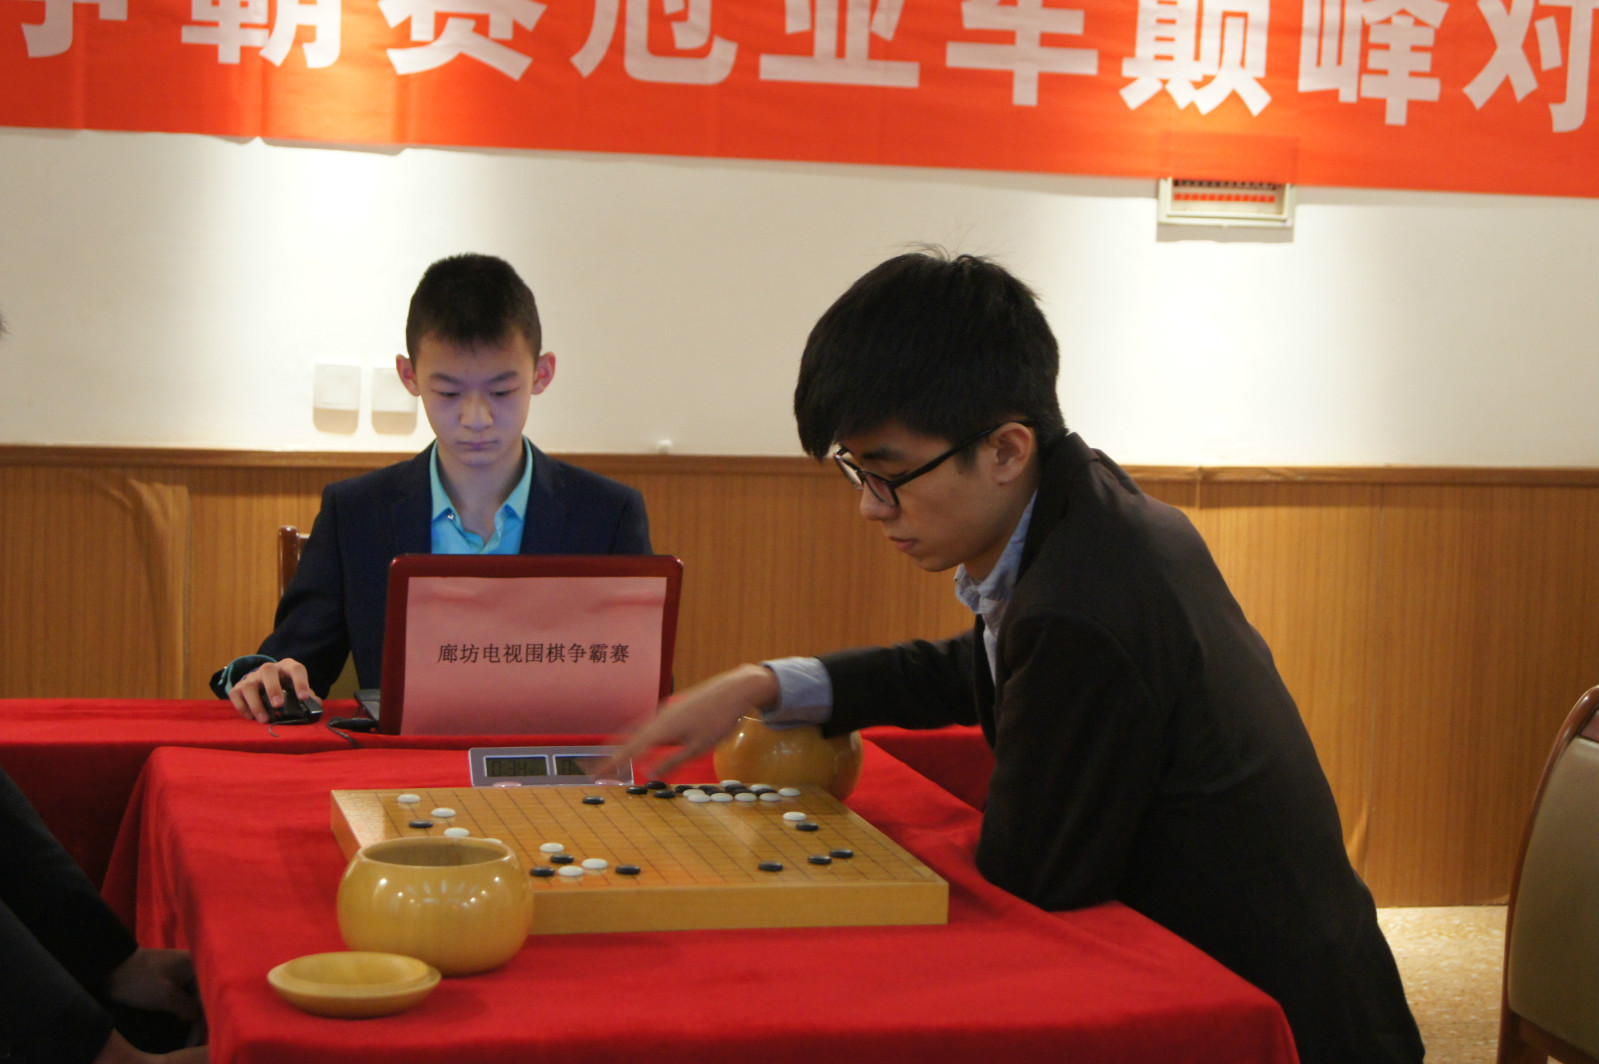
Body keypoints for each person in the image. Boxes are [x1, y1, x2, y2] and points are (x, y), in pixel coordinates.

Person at [611, 251, 1424, 1063]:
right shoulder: (1084, 505)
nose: (868, 507)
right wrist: (769, 684)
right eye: (854, 471)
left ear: (1004, 450)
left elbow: (1035, 872)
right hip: (1284, 968)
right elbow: (982, 668)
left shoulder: (1084, 597)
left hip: (1268, 1015)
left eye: (888, 474)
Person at [214, 254, 652, 722]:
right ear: (409, 376)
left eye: (502, 391)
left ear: (541, 374)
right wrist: (267, 673)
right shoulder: (355, 513)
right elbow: (293, 662)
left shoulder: (607, 515)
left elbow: (642, 683)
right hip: (403, 763)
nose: (476, 418)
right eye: (448, 392)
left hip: (549, 758)